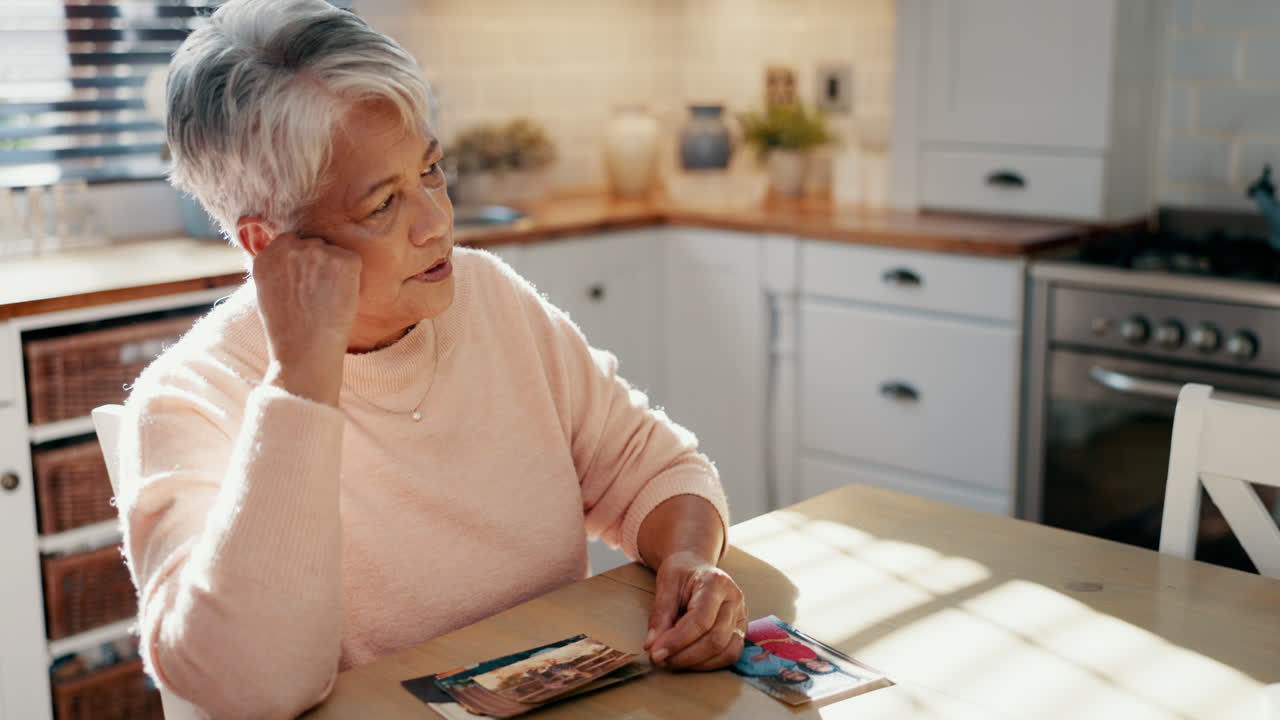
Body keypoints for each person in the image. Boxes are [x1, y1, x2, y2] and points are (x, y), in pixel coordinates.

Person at [115, 0, 746, 716]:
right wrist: (302, 383)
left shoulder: (488, 297)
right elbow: (250, 691)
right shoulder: (188, 401)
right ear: (270, 245)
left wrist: (691, 559)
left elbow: (657, 470)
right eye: (383, 205)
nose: (438, 221)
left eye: (432, 170)